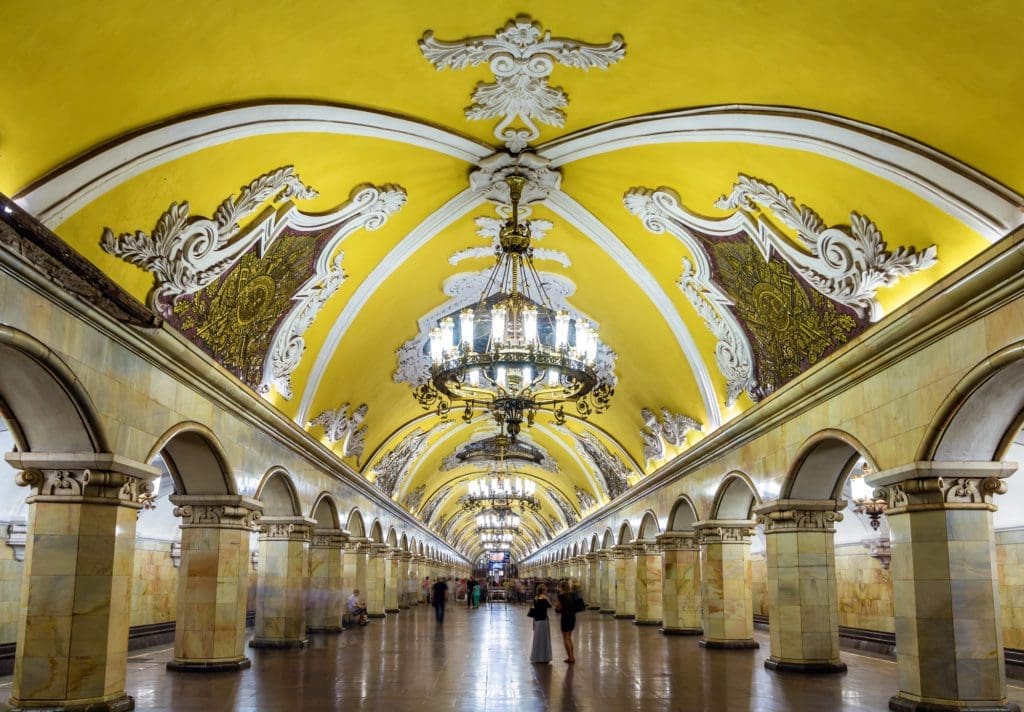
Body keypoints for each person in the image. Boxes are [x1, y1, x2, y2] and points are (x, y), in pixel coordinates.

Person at [556, 580, 580, 663]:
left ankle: (570, 657)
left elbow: (559, 608)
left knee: (565, 638)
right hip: (572, 617)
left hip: (565, 617)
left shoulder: (561, 596)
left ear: (561, 587)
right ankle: (572, 656)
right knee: (569, 637)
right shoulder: (573, 595)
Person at [529, 583, 553, 664]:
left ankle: (537, 657)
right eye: (545, 590)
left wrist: (533, 622)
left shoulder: (535, 599)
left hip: (537, 621)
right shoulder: (544, 599)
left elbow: (533, 611)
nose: (546, 592)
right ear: (543, 591)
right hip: (543, 621)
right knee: (544, 640)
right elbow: (550, 606)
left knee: (537, 640)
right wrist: (546, 598)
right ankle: (544, 657)